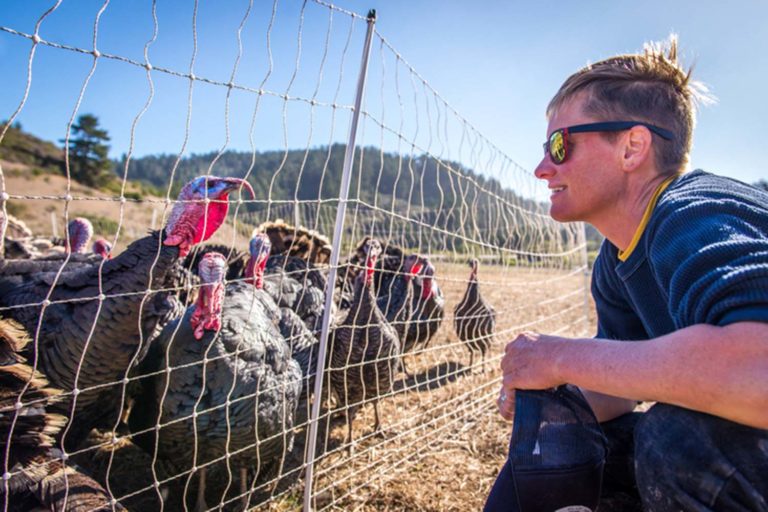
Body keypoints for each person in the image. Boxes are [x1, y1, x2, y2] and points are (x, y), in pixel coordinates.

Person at [497, 35, 768, 511]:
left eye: (560, 145)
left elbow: (759, 370)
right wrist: (548, 401)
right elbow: (619, 390)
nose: (542, 168)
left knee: (680, 442)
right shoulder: (617, 260)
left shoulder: (691, 215)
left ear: (632, 147)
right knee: (573, 441)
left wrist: (560, 357)